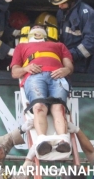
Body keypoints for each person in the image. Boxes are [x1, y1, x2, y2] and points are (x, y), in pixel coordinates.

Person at [10, 16, 74, 156]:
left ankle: (63, 140)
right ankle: (42, 141)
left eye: (41, 28)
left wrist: (66, 70)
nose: (37, 28)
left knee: (58, 107)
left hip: (57, 76)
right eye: (34, 28)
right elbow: (15, 72)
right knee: (39, 106)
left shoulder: (59, 46)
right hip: (34, 77)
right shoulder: (21, 47)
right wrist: (26, 69)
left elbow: (69, 65)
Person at [48, 0, 94, 74]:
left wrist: (68, 55)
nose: (59, 6)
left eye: (62, 2)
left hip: (85, 70)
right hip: (67, 64)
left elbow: (90, 44)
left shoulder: (88, 14)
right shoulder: (61, 12)